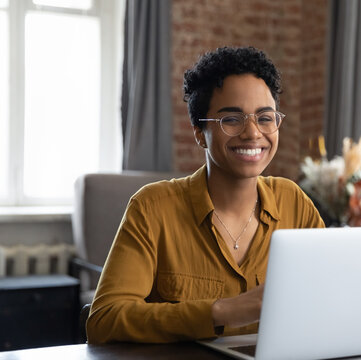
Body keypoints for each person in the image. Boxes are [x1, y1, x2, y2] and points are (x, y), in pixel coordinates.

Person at [86, 46, 325, 344]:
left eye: (265, 118)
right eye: (232, 119)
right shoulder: (152, 208)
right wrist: (223, 312)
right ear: (200, 132)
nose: (253, 133)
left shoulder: (294, 202)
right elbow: (104, 320)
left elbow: (328, 296)